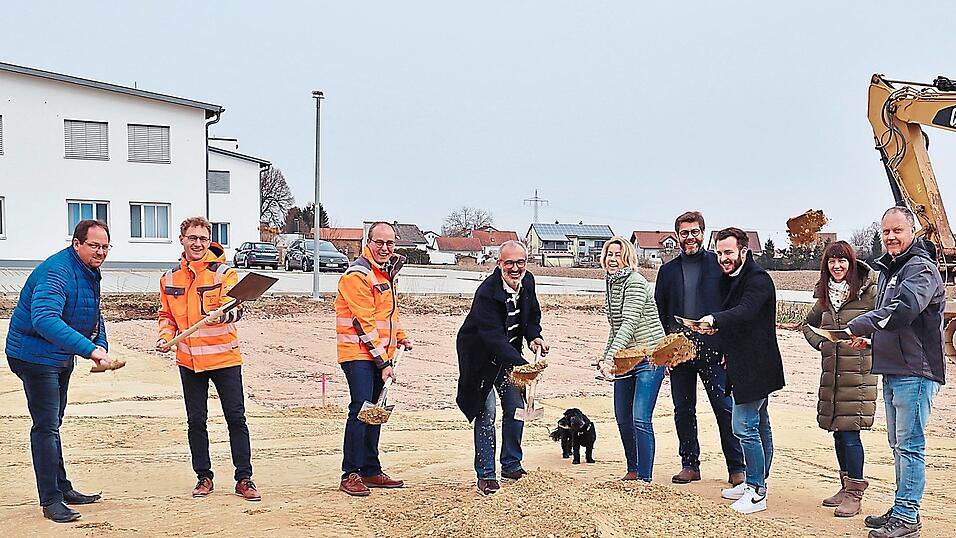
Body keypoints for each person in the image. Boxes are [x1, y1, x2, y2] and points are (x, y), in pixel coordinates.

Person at [5, 219, 115, 522]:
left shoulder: (88, 271)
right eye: (94, 245)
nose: (101, 251)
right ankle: (51, 500)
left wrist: (100, 344)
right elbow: (44, 319)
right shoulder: (57, 271)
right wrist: (88, 349)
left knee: (54, 422)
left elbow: (92, 312)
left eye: (105, 246)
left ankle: (62, 487)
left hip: (60, 355)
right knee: (46, 426)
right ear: (76, 244)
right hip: (34, 356)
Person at [846, 206, 945, 538]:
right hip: (894, 368)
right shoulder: (893, 269)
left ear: (912, 232)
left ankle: (907, 517)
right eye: (886, 231)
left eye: (897, 231)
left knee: (910, 445)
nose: (890, 237)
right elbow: (896, 325)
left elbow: (903, 312)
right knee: (898, 444)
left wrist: (859, 324)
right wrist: (871, 341)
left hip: (915, 373)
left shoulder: (921, 270)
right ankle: (902, 506)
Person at [155, 217, 260, 502]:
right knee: (196, 421)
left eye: (203, 238)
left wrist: (223, 314)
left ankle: (244, 478)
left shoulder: (224, 274)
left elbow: (238, 310)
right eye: (192, 238)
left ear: (210, 240)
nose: (198, 243)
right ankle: (204, 477)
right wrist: (165, 337)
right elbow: (166, 316)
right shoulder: (169, 278)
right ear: (182, 240)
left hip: (225, 358)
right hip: (189, 361)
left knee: (236, 418)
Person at [696, 227, 785, 514]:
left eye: (729, 253)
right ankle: (755, 481)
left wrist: (714, 319)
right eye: (720, 253)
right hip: (741, 362)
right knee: (759, 424)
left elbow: (745, 311)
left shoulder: (758, 280)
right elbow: (737, 323)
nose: (723, 258)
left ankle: (757, 491)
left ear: (744, 251)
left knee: (743, 426)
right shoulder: (729, 279)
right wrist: (719, 339)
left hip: (757, 365)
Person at [654, 211, 745, 486]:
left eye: (695, 232)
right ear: (678, 237)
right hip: (680, 350)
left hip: (714, 349)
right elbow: (662, 310)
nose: (690, 237)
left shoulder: (718, 265)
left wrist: (730, 347)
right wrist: (668, 348)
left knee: (724, 408)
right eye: (684, 233)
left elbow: (732, 307)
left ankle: (736, 467)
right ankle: (689, 464)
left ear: (703, 233)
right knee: (683, 409)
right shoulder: (667, 271)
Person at [456, 240, 549, 495]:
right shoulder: (487, 292)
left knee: (516, 408)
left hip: (508, 356)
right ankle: (486, 474)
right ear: (499, 264)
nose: (515, 268)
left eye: (520, 262)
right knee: (486, 413)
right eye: (509, 263)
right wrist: (523, 366)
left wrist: (534, 337)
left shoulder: (527, 281)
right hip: (480, 359)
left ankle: (511, 464)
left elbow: (531, 317)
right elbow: (492, 337)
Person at [802, 241, 878, 518]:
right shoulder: (825, 296)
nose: (836, 266)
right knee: (837, 430)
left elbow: (885, 323)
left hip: (858, 374)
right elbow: (807, 324)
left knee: (850, 433)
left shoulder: (870, 293)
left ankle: (855, 493)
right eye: (831, 261)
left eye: (842, 260)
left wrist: (870, 343)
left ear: (852, 263)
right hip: (832, 373)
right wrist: (821, 344)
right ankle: (845, 485)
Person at [335, 221, 412, 497]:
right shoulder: (358, 275)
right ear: (368, 243)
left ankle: (370, 468)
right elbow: (363, 323)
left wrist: (400, 336)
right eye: (379, 242)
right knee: (361, 408)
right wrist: (384, 363)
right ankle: (351, 472)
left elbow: (389, 314)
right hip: (357, 353)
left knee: (375, 412)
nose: (385, 248)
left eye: (390, 243)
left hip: (381, 354)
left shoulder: (385, 274)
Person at [596, 236, 666, 482]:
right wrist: (606, 357)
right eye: (609, 254)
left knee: (640, 417)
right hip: (626, 358)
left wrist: (610, 358)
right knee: (622, 416)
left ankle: (645, 480)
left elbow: (629, 323)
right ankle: (633, 470)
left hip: (648, 357)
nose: (612, 259)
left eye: (618, 254)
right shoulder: (610, 283)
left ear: (628, 258)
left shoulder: (635, 282)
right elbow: (615, 327)